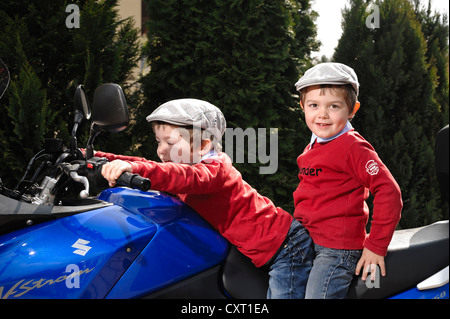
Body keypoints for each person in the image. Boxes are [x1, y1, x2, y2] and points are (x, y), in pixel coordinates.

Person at [97, 98, 314, 298]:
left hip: (285, 247)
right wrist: (99, 157)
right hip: (261, 249)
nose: (161, 151)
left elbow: (175, 176)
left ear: (203, 146)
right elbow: (145, 162)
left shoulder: (213, 171)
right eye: (158, 141)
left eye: (170, 143)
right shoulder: (188, 166)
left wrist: (134, 168)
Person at [293, 63, 402, 299]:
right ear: (302, 106)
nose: (322, 114)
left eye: (334, 106)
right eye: (313, 105)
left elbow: (388, 191)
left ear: (352, 110)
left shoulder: (353, 147)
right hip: (308, 241)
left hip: (337, 249)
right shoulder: (314, 145)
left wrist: (375, 245)